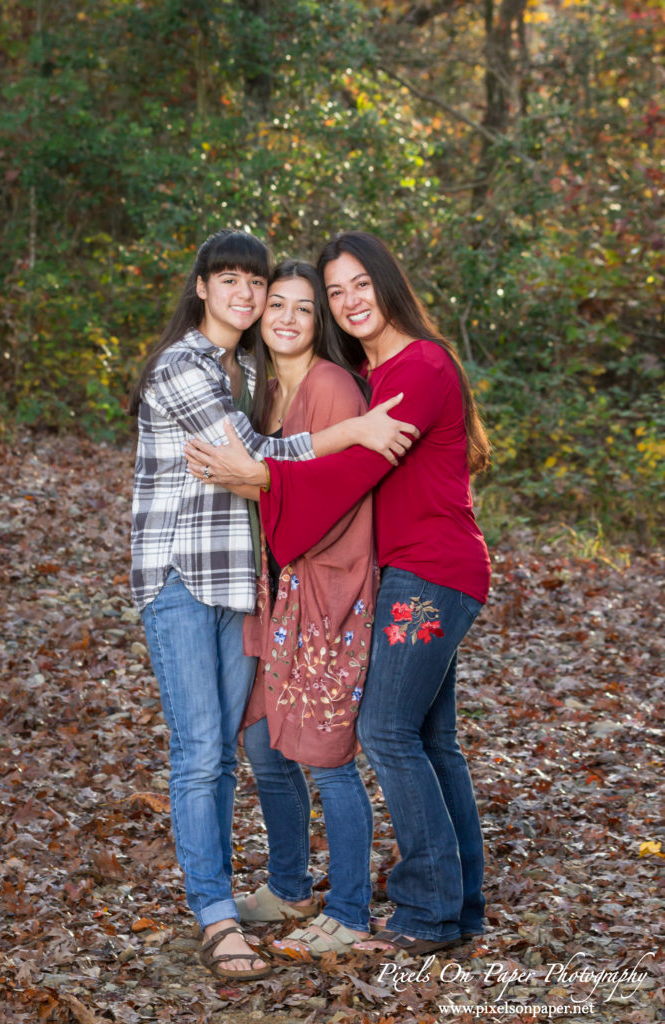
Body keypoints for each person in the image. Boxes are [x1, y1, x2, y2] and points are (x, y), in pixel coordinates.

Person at [182, 230, 492, 957]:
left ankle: (425, 914)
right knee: (430, 741)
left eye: (361, 285)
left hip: (430, 572)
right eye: (339, 290)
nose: (351, 301)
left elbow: (352, 475)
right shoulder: (376, 371)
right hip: (414, 569)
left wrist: (260, 478)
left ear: (388, 285)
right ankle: (461, 903)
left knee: (385, 732)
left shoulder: (419, 365)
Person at [128, 229, 417, 980]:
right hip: (187, 581)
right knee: (204, 755)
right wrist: (352, 431)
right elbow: (252, 463)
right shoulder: (189, 368)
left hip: (246, 586)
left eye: (260, 286)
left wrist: (338, 430)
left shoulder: (248, 372)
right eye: (234, 281)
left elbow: (266, 473)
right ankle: (217, 916)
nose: (251, 298)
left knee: (240, 752)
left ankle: (313, 901)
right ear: (202, 288)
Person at [188, 258, 378, 957]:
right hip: (271, 592)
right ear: (259, 316)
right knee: (265, 743)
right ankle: (290, 885)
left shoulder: (330, 385)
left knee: (326, 754)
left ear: (318, 321)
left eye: (304, 307)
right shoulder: (261, 391)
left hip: (326, 586)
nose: (289, 318)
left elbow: (337, 492)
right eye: (277, 306)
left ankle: (351, 910)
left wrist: (259, 486)